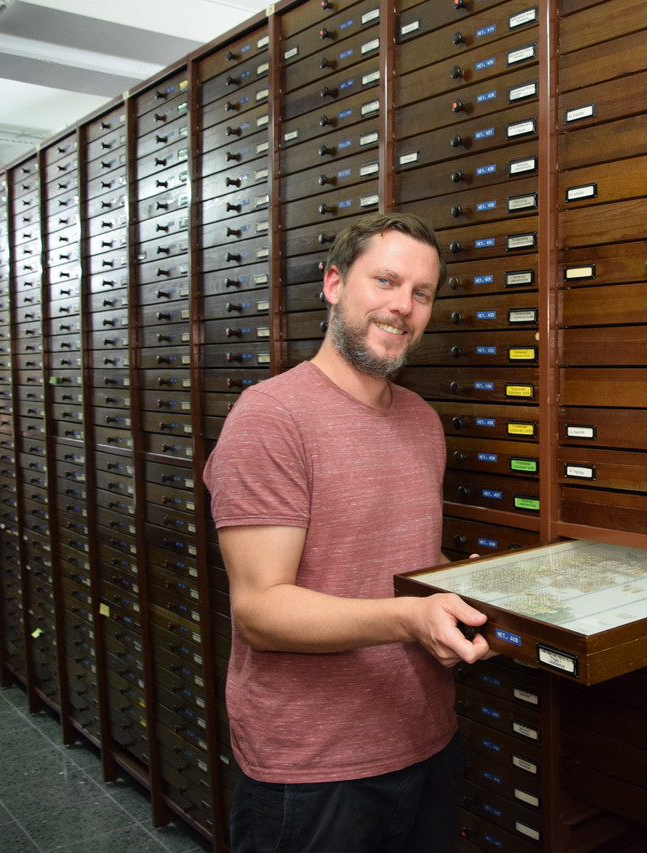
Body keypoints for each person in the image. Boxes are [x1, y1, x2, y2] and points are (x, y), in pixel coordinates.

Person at [203, 211, 493, 853]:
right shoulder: (271, 419)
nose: (402, 307)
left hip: (427, 739)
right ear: (334, 283)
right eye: (385, 281)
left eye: (421, 293)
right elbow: (261, 609)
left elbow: (400, 559)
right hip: (312, 770)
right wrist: (413, 620)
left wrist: (474, 594)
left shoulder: (421, 420)